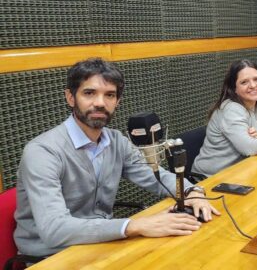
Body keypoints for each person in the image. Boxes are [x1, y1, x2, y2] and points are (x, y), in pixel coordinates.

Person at [14, 58, 219, 257]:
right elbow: (54, 230)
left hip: (101, 243)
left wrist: (191, 191)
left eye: (109, 95)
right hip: (51, 255)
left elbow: (155, 178)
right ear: (70, 97)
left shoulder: (116, 141)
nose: (100, 103)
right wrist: (135, 225)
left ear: (117, 101)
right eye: (89, 93)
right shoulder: (42, 151)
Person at [192, 59, 257, 177]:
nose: (253, 85)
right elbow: (249, 148)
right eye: (244, 82)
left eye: (256, 79)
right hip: (211, 179)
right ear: (234, 88)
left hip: (244, 170)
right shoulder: (231, 109)